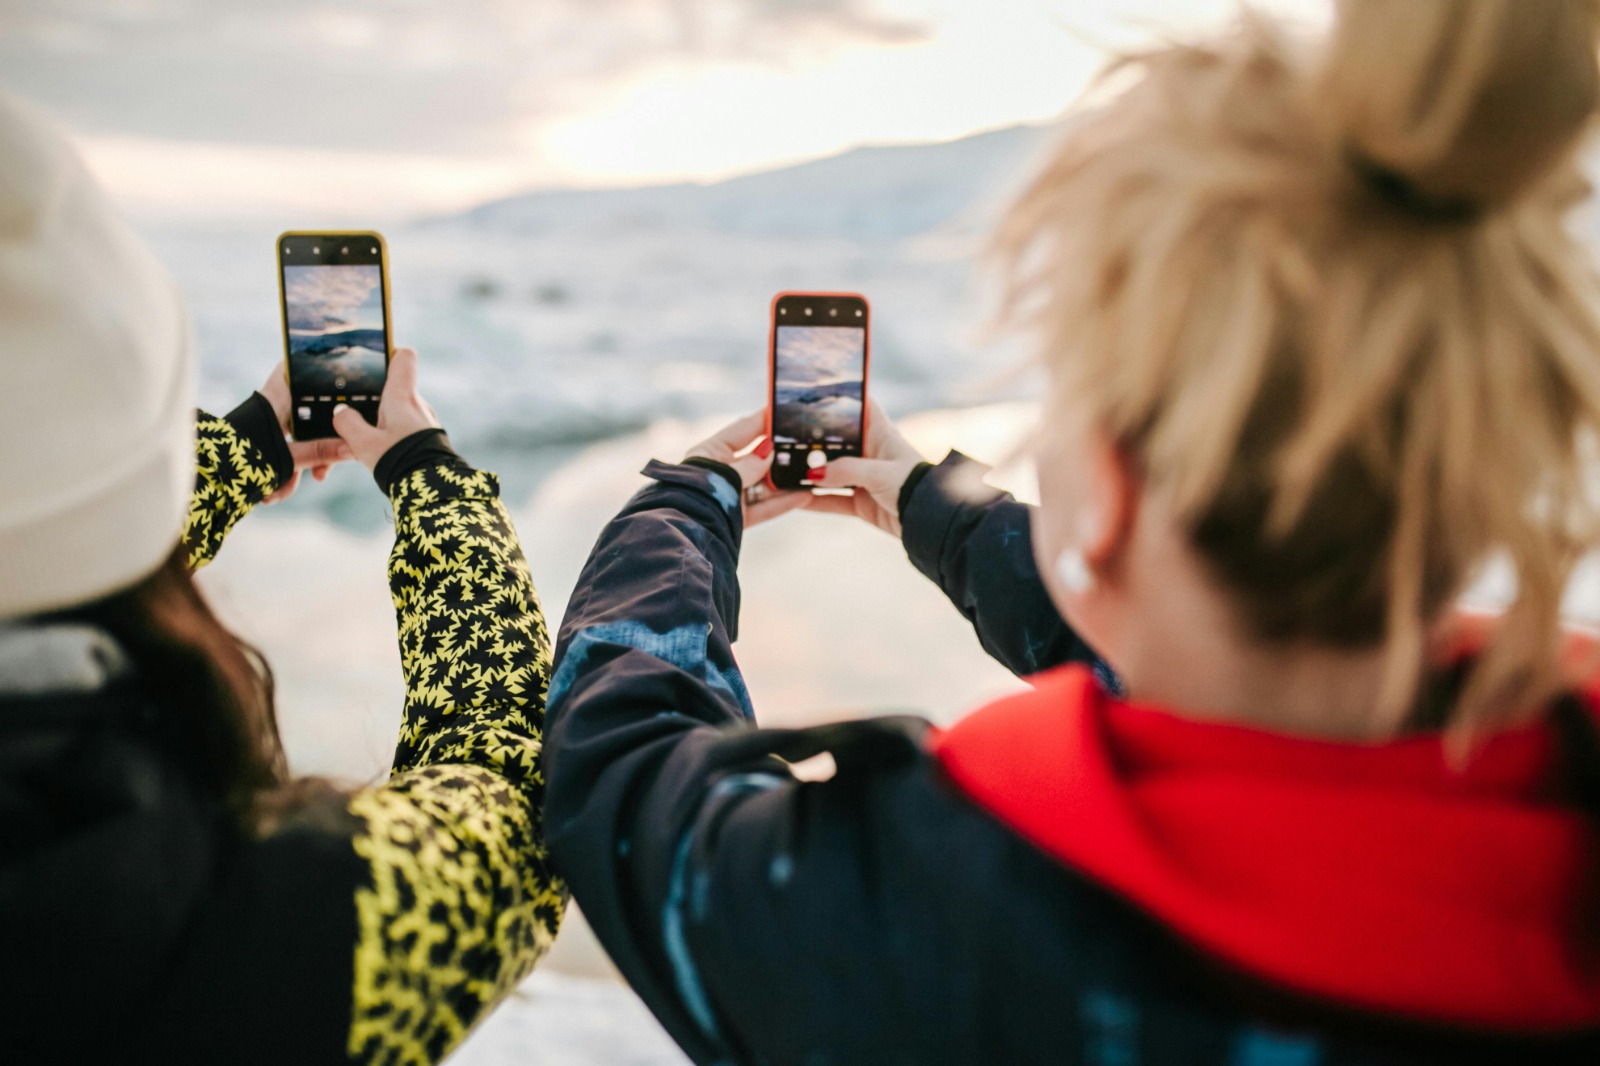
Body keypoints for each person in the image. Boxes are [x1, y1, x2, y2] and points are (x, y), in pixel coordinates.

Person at [543, 1, 1600, 1063]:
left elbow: (620, 767)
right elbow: (1197, 664)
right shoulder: (1564, 821)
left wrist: (687, 500)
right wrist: (929, 507)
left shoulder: (916, 914)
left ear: (1108, 487)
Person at [0, 93, 562, 1064]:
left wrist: (240, 449)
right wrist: (430, 479)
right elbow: (511, 787)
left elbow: (42, 532)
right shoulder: (283, 925)